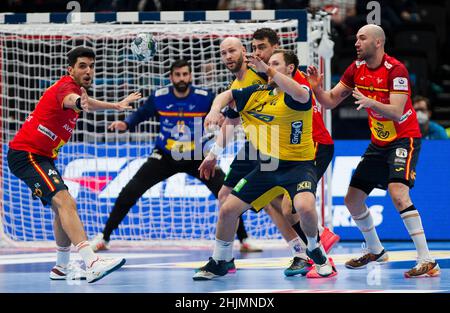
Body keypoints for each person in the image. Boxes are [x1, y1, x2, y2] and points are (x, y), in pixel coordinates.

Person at [200, 30, 340, 277]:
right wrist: (213, 146)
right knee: (226, 199)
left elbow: (299, 91)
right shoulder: (253, 87)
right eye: (223, 52)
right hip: (265, 150)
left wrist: (269, 69)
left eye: (262, 48)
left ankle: (310, 248)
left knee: (293, 207)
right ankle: (222, 259)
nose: (259, 54)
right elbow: (231, 114)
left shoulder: (284, 80)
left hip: (304, 150)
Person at [307, 24, 440, 278]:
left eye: (362, 38)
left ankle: (427, 260)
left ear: (378, 42)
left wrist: (371, 102)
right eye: (356, 38)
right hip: (378, 143)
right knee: (352, 199)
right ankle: (376, 250)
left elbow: (397, 110)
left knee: (398, 193)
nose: (356, 43)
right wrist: (316, 89)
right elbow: (331, 101)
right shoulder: (355, 69)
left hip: (404, 139)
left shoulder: (396, 70)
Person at [89, 59, 258, 256]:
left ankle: (244, 239)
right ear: (171, 77)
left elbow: (226, 112)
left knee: (226, 194)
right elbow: (142, 113)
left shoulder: (204, 98)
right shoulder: (160, 97)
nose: (182, 78)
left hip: (197, 156)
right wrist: (126, 124)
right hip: (165, 155)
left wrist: (221, 116)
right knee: (130, 190)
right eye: (177, 75)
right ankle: (104, 237)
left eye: (185, 74)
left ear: (190, 76)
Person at [7, 46, 136, 283]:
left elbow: (87, 102)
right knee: (66, 202)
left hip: (43, 157)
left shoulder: (77, 89)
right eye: (82, 66)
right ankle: (92, 261)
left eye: (91, 66)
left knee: (61, 208)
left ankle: (61, 267)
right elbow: (73, 100)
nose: (88, 70)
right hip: (27, 155)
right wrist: (79, 102)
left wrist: (115, 106)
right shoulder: (66, 88)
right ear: (71, 69)